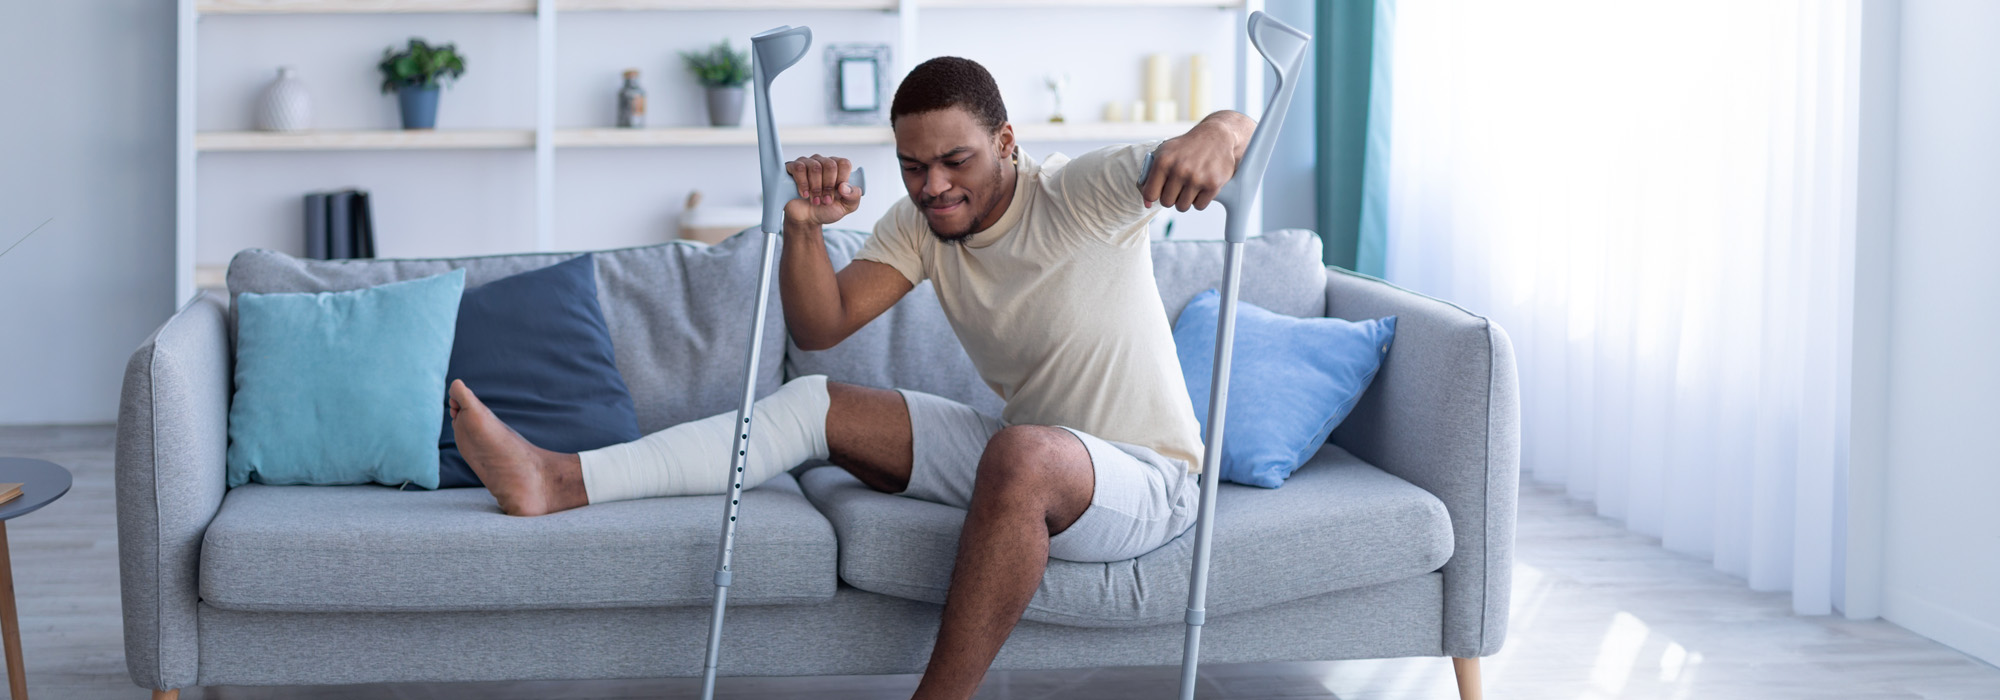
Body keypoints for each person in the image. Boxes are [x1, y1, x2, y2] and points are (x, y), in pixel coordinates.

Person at [447, 56, 1255, 700]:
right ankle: (556, 480)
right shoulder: (923, 226)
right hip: (1032, 455)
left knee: (1024, 455)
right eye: (912, 165)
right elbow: (819, 327)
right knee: (813, 403)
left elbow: (1234, 132)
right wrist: (803, 228)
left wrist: (1219, 127)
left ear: (1007, 142)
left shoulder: (1078, 193)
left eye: (954, 160)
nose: (932, 185)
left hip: (1145, 479)